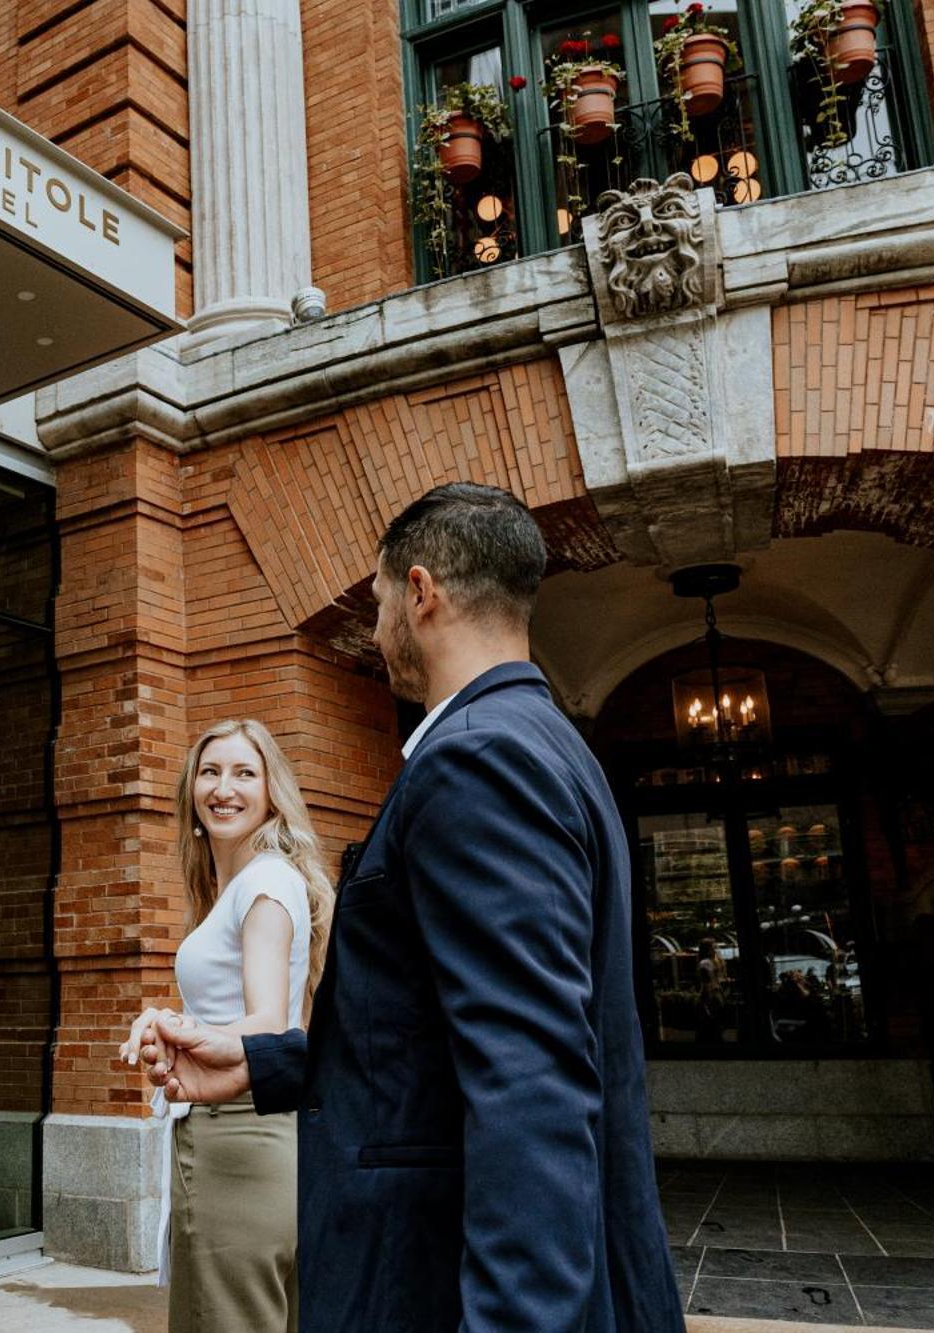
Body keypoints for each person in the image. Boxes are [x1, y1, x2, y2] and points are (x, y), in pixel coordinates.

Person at [137, 482, 685, 1332]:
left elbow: (529, 1086)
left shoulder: (480, 761)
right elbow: (425, 1037)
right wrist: (269, 1062)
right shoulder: (545, 741)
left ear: (421, 592)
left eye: (381, 595)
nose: (378, 620)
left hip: (434, 1285)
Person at [117, 719, 333, 1333]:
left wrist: (174, 1029)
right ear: (190, 790)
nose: (224, 787)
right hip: (262, 1132)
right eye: (210, 772)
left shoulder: (262, 883)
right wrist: (179, 1022)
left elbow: (266, 1020)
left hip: (234, 1139)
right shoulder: (251, 884)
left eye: (245, 772)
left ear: (271, 792)